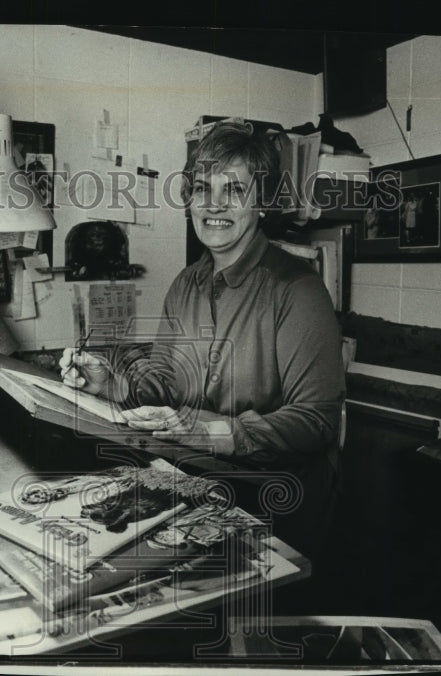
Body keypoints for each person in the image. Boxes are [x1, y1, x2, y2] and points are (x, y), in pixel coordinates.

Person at [58, 120, 345, 564]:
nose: (213, 204)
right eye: (201, 187)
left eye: (233, 189)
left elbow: (314, 421)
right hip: (202, 492)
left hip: (276, 509)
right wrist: (109, 383)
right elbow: (163, 385)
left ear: (262, 202)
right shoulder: (185, 284)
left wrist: (208, 429)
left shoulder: (298, 290)